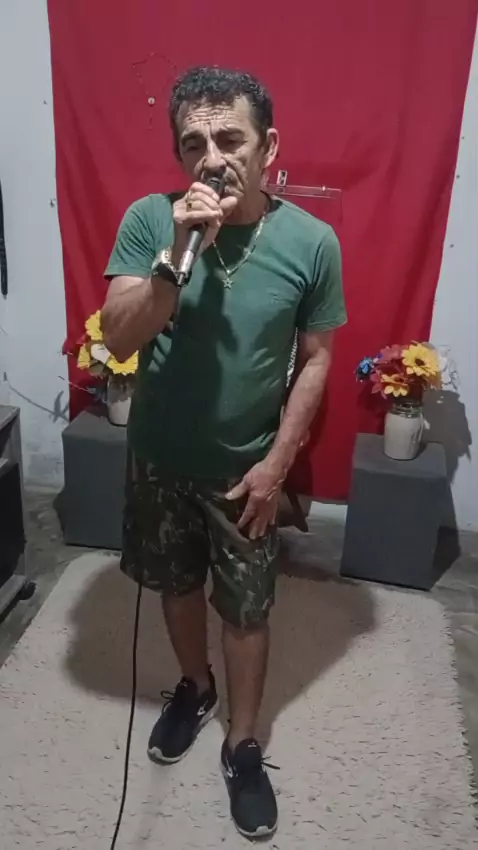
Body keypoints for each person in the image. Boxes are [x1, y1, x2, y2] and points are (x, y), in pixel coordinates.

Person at [101, 65, 346, 838]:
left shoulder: (312, 242)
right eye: (194, 143)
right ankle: (193, 685)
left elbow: (316, 360)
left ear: (268, 147)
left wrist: (278, 465)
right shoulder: (151, 221)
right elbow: (118, 338)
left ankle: (242, 745)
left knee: (246, 609)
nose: (212, 158)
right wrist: (176, 255)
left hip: (246, 469)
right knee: (175, 586)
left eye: (230, 139)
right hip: (158, 458)